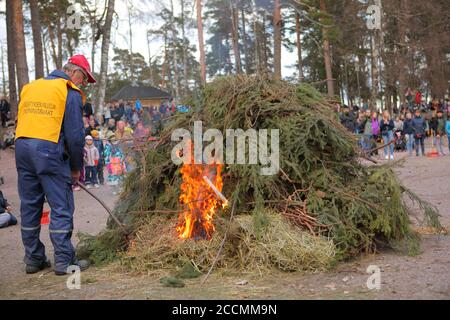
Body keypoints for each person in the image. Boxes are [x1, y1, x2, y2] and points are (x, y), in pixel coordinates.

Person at [14, 54, 95, 275]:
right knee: (61, 205)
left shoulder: (31, 87)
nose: (84, 83)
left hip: (22, 148)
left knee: (30, 205)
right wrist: (76, 168)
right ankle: (64, 261)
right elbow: (76, 137)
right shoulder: (69, 91)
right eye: (84, 78)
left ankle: (33, 259)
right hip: (48, 150)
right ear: (73, 71)